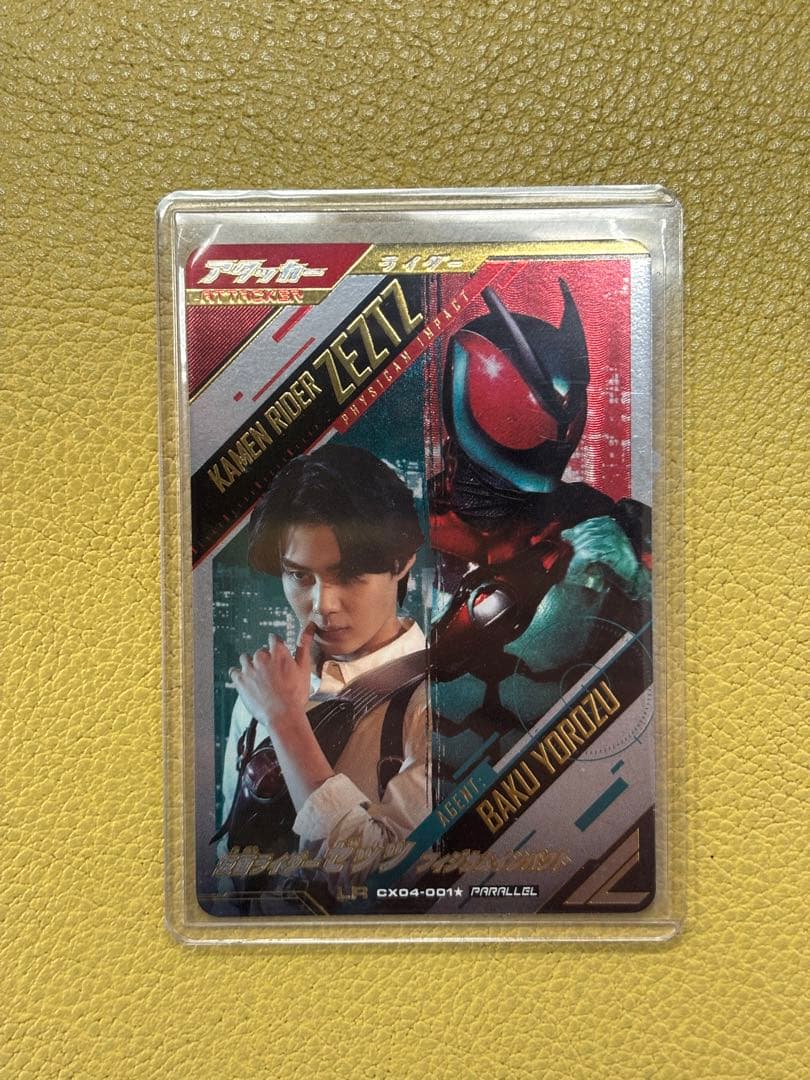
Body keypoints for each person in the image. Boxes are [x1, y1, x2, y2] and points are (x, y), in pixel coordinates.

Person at [218, 443, 429, 903]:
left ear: (401, 564)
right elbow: (229, 865)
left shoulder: (436, 704)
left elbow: (390, 883)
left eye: (348, 575)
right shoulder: (262, 692)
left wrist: (287, 724)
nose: (322, 604)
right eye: (299, 576)